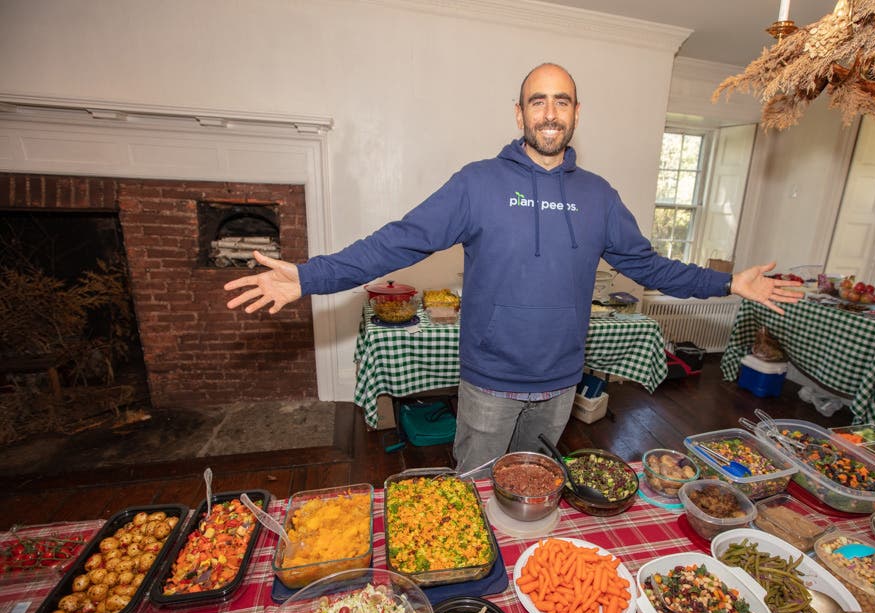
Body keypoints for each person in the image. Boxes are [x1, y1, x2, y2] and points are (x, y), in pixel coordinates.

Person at [225, 63, 803, 473]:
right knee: (475, 490)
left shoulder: (599, 195)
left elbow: (650, 266)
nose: (550, 113)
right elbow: (397, 244)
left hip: (559, 383)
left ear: (577, 112)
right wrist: (307, 276)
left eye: (562, 101)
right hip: (489, 381)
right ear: (520, 111)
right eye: (538, 100)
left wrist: (728, 282)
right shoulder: (477, 183)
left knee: (536, 480)